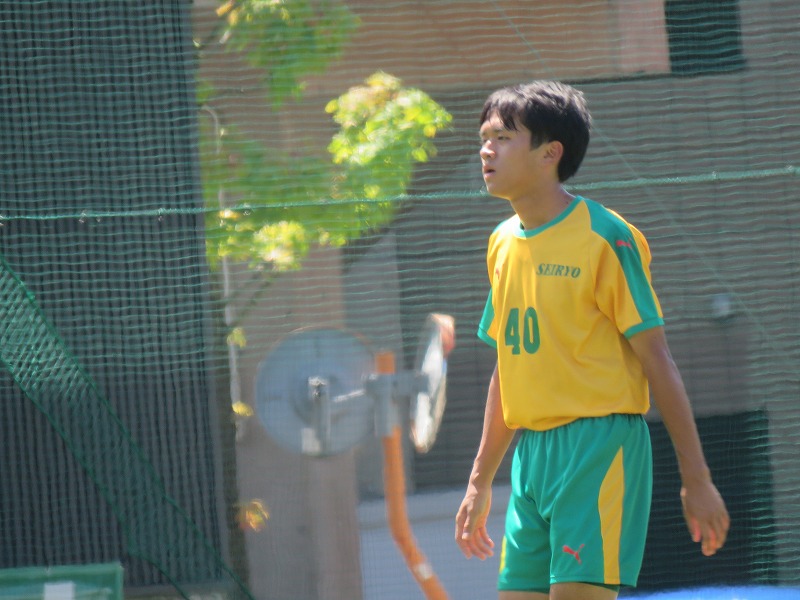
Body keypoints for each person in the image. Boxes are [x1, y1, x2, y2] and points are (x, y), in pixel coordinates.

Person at [454, 80, 730, 600]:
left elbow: (658, 359)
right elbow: (508, 367)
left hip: (598, 447)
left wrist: (696, 478)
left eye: (503, 137)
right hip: (532, 457)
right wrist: (478, 481)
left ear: (550, 153)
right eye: (484, 138)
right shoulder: (501, 243)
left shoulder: (606, 236)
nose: (487, 150)